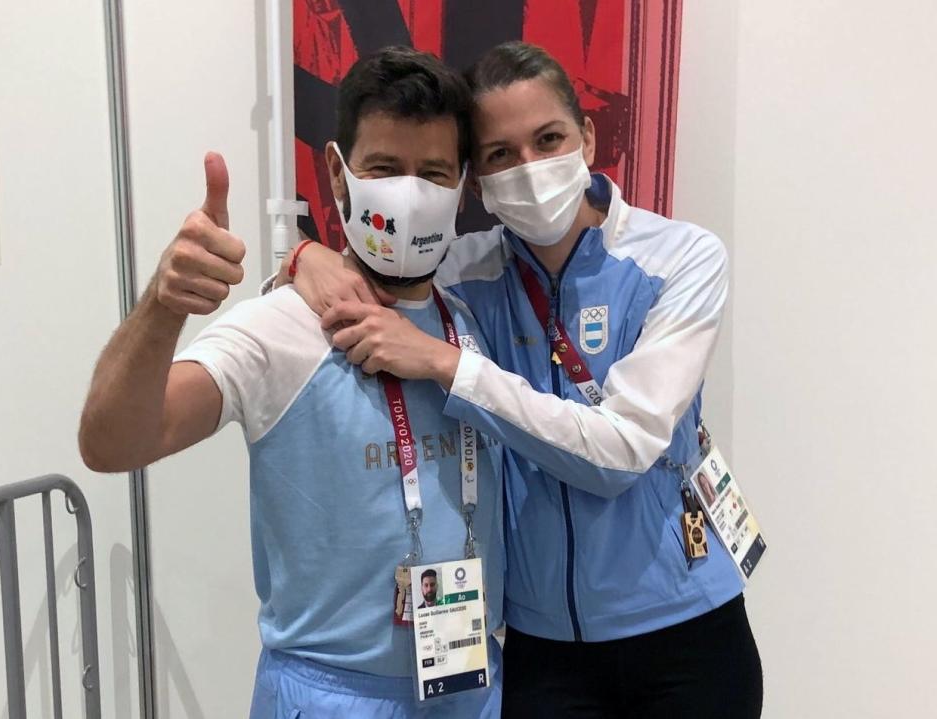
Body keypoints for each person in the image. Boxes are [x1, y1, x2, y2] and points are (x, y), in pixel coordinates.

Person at [280, 42, 763, 718]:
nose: (529, 169)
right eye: (501, 154)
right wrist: (302, 255)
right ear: (474, 181)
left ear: (586, 137)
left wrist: (447, 364)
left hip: (684, 631)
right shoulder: (464, 274)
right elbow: (364, 272)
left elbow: (622, 450)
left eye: (547, 139)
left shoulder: (680, 258)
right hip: (541, 647)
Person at [79, 47, 504, 719]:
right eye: (384, 169)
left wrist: (302, 252)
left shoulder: (473, 324)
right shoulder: (278, 328)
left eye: (432, 173)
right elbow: (112, 441)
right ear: (338, 174)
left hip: (470, 683)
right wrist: (163, 306)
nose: (409, 193)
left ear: (461, 186)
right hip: (331, 694)